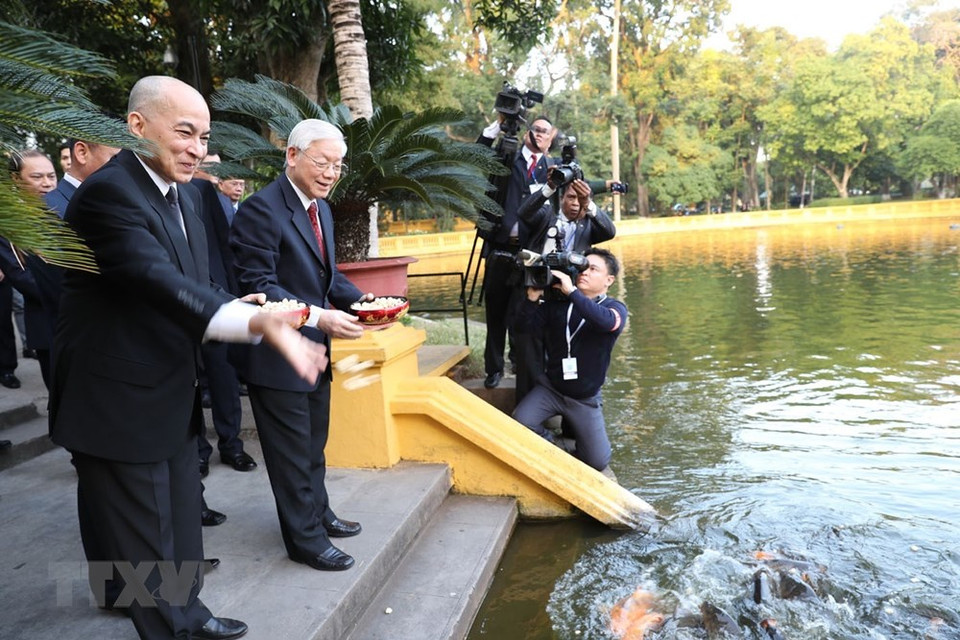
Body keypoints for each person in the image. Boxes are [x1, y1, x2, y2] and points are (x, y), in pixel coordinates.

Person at [49, 75, 329, 640]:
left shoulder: (186, 197)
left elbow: (194, 283)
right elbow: (153, 280)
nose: (197, 149)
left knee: (174, 521)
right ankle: (174, 624)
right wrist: (255, 323)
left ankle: (159, 606)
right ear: (136, 126)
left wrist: (242, 305)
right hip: (118, 398)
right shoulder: (110, 192)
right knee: (151, 535)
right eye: (184, 132)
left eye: (203, 137)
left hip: (168, 388)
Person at [230, 118, 372, 572]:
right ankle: (305, 541)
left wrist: (367, 301)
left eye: (338, 165)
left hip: (316, 350)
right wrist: (319, 316)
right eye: (323, 161)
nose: (332, 172)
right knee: (290, 455)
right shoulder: (260, 209)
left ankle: (320, 514)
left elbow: (327, 278)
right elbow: (260, 285)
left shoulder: (321, 208)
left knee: (313, 446)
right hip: (277, 355)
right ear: (292, 156)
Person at [511, 247, 627, 471]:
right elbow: (523, 328)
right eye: (582, 267)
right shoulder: (558, 305)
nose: (584, 272)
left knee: (598, 461)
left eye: (593, 269)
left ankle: (579, 446)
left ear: (609, 280)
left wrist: (573, 292)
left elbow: (606, 323)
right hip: (552, 389)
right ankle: (553, 445)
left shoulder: (614, 308)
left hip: (585, 398)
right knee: (520, 422)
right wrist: (532, 299)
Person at [477, 115, 558, 389]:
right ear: (526, 131)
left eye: (543, 132)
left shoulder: (549, 168)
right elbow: (478, 154)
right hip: (499, 247)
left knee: (522, 311)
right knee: (496, 312)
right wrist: (497, 127)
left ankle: (519, 363)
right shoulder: (506, 155)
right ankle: (494, 368)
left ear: (550, 139)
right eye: (534, 128)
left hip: (530, 252)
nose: (537, 134)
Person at [190, 152, 256, 476]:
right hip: (177, 301)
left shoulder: (209, 196)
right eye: (210, 167)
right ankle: (198, 452)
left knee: (223, 375)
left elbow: (225, 251)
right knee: (189, 383)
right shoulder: (160, 194)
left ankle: (232, 445)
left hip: (217, 298)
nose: (216, 174)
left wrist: (233, 300)